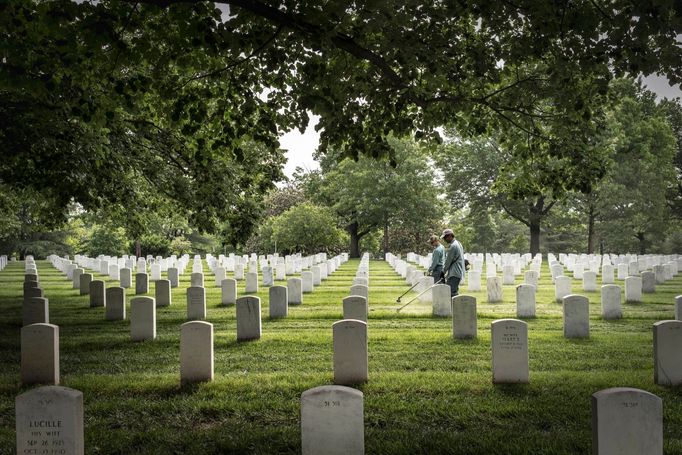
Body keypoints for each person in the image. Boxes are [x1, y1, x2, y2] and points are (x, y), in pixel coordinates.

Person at [441, 228, 465, 297]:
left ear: (450, 236)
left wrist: (443, 271)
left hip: (454, 273)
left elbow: (448, 261)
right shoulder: (458, 243)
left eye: (445, 237)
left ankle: (456, 307)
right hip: (457, 272)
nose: (444, 239)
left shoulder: (453, 246)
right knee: (453, 292)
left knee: (451, 293)